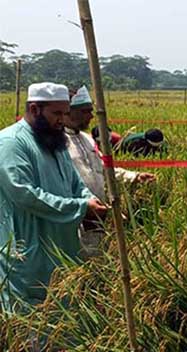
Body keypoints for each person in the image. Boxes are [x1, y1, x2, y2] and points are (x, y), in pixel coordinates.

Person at [0, 82, 108, 313]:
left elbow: (76, 184)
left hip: (62, 247)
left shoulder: (56, 142)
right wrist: (80, 207)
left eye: (65, 113)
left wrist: (90, 201)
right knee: (29, 322)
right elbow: (24, 193)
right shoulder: (11, 142)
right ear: (35, 110)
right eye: (56, 113)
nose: (62, 119)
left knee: (65, 314)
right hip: (28, 249)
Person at [65, 86, 155, 258]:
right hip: (73, 214)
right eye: (85, 111)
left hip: (97, 211)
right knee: (72, 259)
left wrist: (134, 176)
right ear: (68, 112)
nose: (91, 116)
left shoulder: (88, 140)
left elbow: (104, 169)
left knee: (96, 257)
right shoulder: (56, 143)